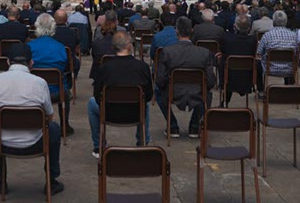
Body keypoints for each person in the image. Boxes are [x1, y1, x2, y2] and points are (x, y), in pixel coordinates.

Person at [0, 51, 64, 195]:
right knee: (54, 128)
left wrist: (2, 123)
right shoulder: (40, 83)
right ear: (31, 63)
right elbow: (49, 117)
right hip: (35, 143)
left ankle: (0, 182)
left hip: (3, 143)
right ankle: (51, 179)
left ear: (8, 62)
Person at [89, 30, 152, 158]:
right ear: (129, 46)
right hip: (136, 112)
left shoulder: (104, 68)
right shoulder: (142, 67)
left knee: (91, 104)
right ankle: (142, 142)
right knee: (145, 103)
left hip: (109, 112)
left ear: (113, 48)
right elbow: (149, 95)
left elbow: (96, 95)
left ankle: (99, 146)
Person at [155, 17, 215, 138]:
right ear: (191, 31)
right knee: (207, 93)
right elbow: (211, 81)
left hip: (174, 92)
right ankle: (194, 126)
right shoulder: (203, 53)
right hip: (197, 92)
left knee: (157, 92)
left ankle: (172, 126)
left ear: (176, 31)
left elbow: (160, 80)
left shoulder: (167, 52)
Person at [30, 14, 75, 136]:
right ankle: (64, 124)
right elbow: (65, 68)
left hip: (34, 91)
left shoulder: (30, 47)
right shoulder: (60, 48)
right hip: (56, 91)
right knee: (65, 92)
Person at [257, 10, 298, 88]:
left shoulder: (267, 35)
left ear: (273, 21)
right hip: (289, 69)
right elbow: (297, 53)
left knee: (257, 63)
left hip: (270, 68)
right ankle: (290, 84)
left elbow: (259, 52)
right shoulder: (294, 35)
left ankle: (261, 90)